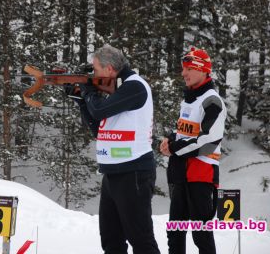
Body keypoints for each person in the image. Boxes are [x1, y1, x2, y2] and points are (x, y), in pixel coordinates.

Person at [65, 44, 161, 254]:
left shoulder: (134, 87)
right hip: (113, 174)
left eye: (96, 70)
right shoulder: (117, 91)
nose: (93, 75)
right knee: (111, 241)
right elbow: (100, 131)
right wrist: (82, 101)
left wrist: (89, 92)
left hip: (133, 172)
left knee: (141, 240)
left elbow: (99, 111)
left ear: (109, 69)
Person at [160, 47, 227, 254]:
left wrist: (174, 148)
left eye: (188, 68)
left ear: (202, 70)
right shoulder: (189, 98)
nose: (183, 73)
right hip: (181, 174)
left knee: (201, 234)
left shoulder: (212, 100)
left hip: (201, 175)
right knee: (175, 232)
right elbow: (183, 130)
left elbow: (208, 140)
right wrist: (169, 140)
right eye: (183, 69)